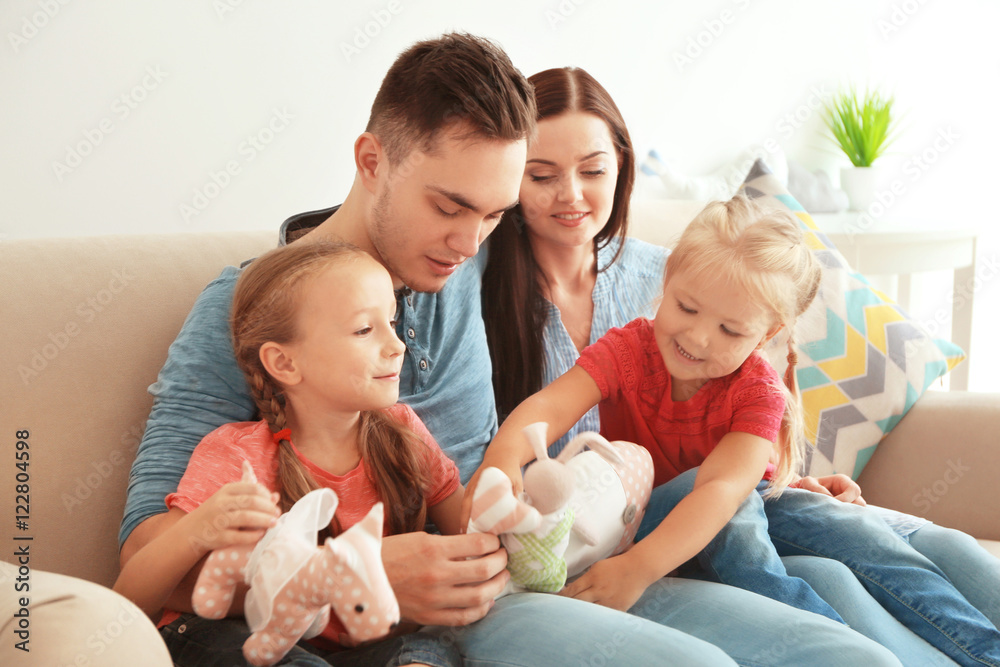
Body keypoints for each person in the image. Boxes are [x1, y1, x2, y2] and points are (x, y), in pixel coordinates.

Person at [119, 33, 900, 666]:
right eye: (450, 206)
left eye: (494, 214)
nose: (468, 242)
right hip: (413, 619)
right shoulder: (254, 306)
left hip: (533, 567)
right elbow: (146, 553)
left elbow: (698, 314)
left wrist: (782, 464)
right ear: (370, 162)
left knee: (844, 650)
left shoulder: (480, 264)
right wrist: (364, 567)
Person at [480, 66, 999, 666]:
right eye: (686, 308)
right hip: (665, 515)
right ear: (665, 284)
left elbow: (728, 486)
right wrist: (499, 474)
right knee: (761, 527)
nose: (697, 337)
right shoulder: (629, 343)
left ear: (767, 335)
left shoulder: (755, 384)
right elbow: (545, 411)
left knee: (894, 545)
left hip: (743, 502)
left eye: (730, 330)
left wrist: (643, 567)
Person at [114, 241, 468, 666]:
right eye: (363, 330)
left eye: (390, 322)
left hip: (345, 649)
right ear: (283, 363)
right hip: (226, 637)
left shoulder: (404, 432)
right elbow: (129, 599)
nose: (397, 346)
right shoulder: (237, 454)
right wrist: (198, 530)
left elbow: (467, 531)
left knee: (430, 650)